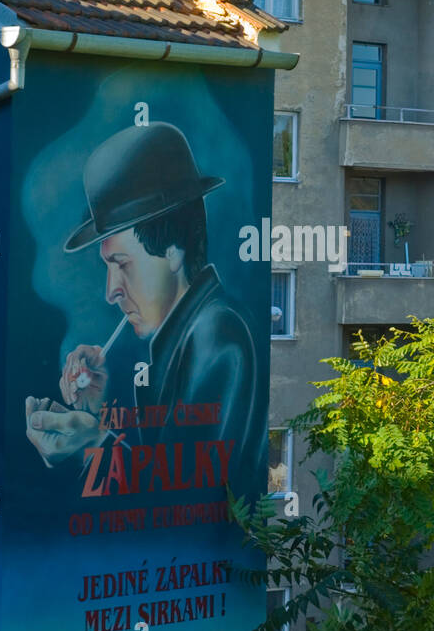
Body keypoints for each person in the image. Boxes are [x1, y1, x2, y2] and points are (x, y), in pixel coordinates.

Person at [25, 122, 260, 492]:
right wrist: (94, 415)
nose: (111, 292)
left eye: (121, 264)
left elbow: (184, 497)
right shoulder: (186, 338)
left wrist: (92, 443)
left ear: (173, 251)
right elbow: (165, 477)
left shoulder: (216, 334)